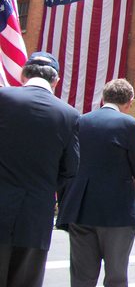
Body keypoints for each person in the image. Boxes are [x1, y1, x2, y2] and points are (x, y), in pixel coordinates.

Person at [56, 78, 135, 287]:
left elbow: (66, 165)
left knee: (82, 278)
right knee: (116, 277)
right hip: (117, 211)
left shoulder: (80, 121)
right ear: (129, 101)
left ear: (103, 98)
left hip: (81, 209)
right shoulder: (130, 125)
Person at [0, 52, 80, 287]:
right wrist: (44, 188)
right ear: (55, 81)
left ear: (24, 74)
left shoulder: (3, 98)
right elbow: (71, 168)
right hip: (35, 215)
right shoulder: (69, 114)